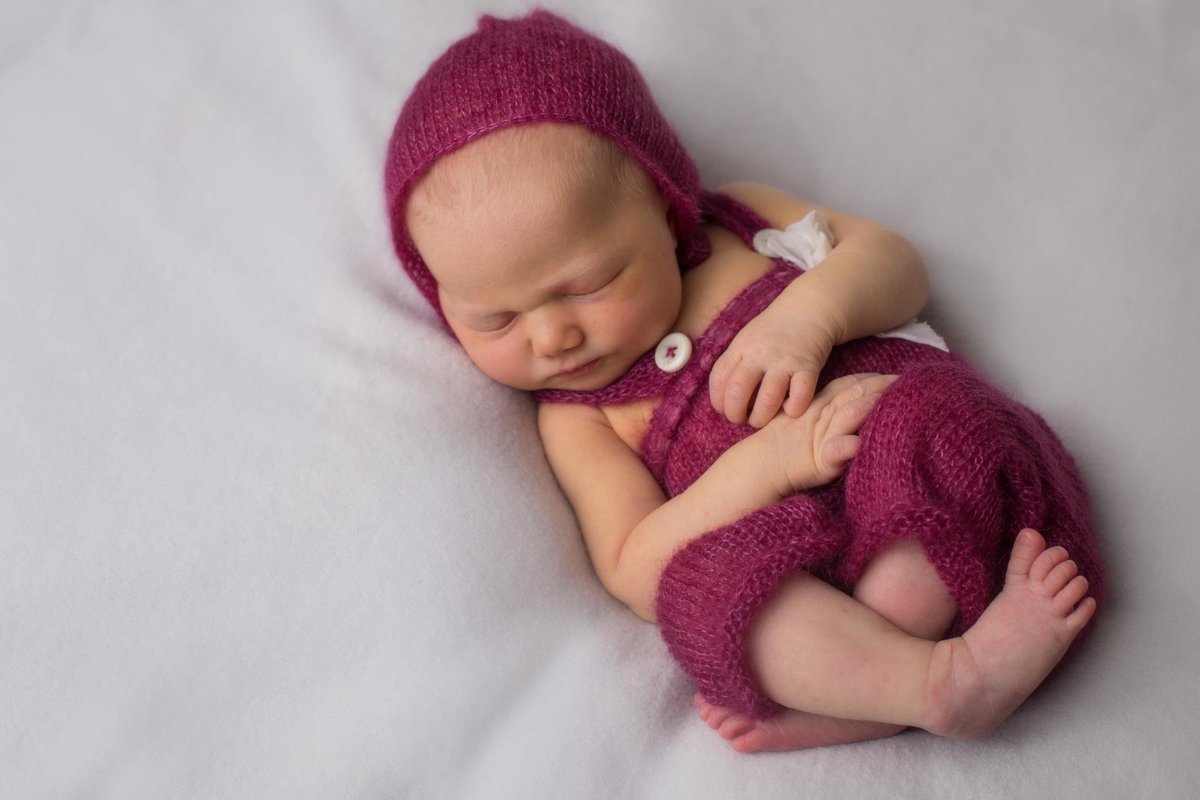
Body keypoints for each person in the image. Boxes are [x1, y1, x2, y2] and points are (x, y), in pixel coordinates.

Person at [383, 10, 1105, 752]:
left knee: (927, 420)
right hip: (801, 569)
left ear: (666, 212)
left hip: (931, 474)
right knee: (700, 595)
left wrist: (808, 318)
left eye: (588, 284)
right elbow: (633, 564)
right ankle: (936, 684)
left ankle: (876, 687)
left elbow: (898, 265)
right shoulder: (579, 417)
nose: (550, 336)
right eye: (495, 320)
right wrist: (770, 464)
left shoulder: (745, 222)